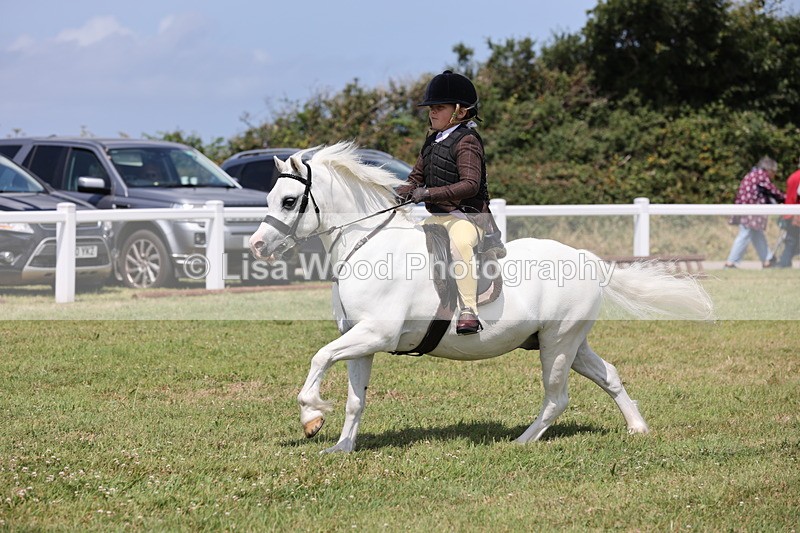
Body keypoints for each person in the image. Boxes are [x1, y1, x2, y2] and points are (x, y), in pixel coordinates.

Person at [396, 70, 504, 335]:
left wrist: (428, 194)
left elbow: (470, 185)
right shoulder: (432, 141)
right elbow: (416, 177)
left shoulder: (467, 141)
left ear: (460, 112)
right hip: (438, 217)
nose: (432, 113)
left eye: (439, 108)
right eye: (431, 108)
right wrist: (402, 192)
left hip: (468, 217)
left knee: (460, 246)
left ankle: (469, 311)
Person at [724, 156, 785, 269]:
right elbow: (773, 191)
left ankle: (767, 260)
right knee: (745, 234)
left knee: (757, 234)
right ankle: (731, 262)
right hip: (750, 210)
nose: (774, 175)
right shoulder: (760, 176)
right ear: (769, 170)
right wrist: (785, 198)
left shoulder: (753, 174)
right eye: (774, 172)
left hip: (747, 209)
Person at [778, 157, 800, 267]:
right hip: (795, 214)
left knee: (791, 241)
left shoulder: (793, 176)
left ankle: (784, 263)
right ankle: (783, 263)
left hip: (789, 213)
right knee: (792, 241)